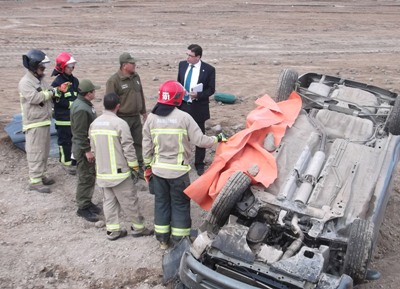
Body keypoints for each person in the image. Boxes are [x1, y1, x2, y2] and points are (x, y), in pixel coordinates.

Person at [142, 80, 226, 249]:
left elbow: (146, 144)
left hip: (158, 171)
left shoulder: (151, 118)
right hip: (178, 172)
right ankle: (179, 241)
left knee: (161, 203)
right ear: (177, 98)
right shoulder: (184, 117)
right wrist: (217, 139)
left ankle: (163, 241)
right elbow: (201, 141)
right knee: (179, 204)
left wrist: (147, 166)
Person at [89, 92, 153, 240]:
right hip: (119, 173)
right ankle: (138, 227)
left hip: (103, 172)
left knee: (109, 201)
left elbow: (93, 147)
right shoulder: (120, 124)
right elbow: (128, 148)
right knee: (129, 200)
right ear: (118, 106)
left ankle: (112, 230)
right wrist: (135, 167)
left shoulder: (95, 124)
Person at [19, 49, 58, 194]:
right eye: (42, 67)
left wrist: (55, 91)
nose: (44, 70)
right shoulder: (25, 82)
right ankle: (35, 181)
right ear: (34, 66)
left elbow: (48, 91)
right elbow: (35, 98)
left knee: (44, 151)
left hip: (43, 120)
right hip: (34, 122)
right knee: (35, 152)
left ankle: (41, 175)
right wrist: (51, 93)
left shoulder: (40, 80)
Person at [105, 52, 147, 178]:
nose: (135, 65)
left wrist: (144, 112)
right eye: (132, 63)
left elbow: (141, 94)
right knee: (124, 145)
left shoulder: (136, 77)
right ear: (124, 65)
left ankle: (139, 167)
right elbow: (110, 101)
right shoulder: (114, 81)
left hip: (135, 117)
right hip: (122, 118)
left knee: (138, 142)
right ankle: (127, 170)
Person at [177, 44, 216, 176]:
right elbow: (178, 83)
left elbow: (211, 89)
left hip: (198, 107)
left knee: (199, 135)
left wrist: (198, 95)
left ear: (198, 57)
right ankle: (182, 160)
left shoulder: (209, 69)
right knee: (182, 135)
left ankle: (199, 163)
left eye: (191, 56)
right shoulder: (182, 65)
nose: (188, 58)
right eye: (187, 54)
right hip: (183, 106)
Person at [70, 79, 101, 222]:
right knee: (85, 177)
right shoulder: (82, 109)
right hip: (83, 149)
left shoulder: (83, 104)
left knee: (89, 175)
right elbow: (80, 133)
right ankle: (82, 207)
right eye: (93, 91)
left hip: (84, 147)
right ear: (88, 94)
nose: (95, 92)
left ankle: (87, 202)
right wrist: (87, 150)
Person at [51, 52, 79, 175]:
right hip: (63, 118)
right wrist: (73, 105)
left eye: (73, 66)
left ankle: (74, 160)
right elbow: (57, 101)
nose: (72, 69)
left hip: (74, 118)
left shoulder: (75, 81)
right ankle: (66, 163)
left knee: (75, 140)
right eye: (69, 66)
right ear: (62, 67)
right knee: (65, 141)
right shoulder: (57, 83)